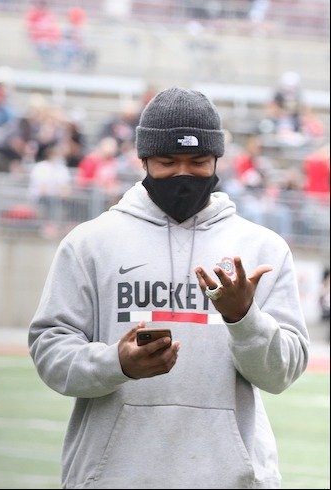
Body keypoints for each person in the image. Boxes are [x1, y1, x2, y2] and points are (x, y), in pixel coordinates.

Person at [28, 87, 309, 488]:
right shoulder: (90, 243)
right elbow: (50, 351)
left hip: (229, 478)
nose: (183, 174)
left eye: (198, 161)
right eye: (167, 161)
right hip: (115, 476)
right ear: (142, 160)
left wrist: (243, 317)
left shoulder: (262, 249)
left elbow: (281, 373)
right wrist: (117, 364)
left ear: (217, 161)